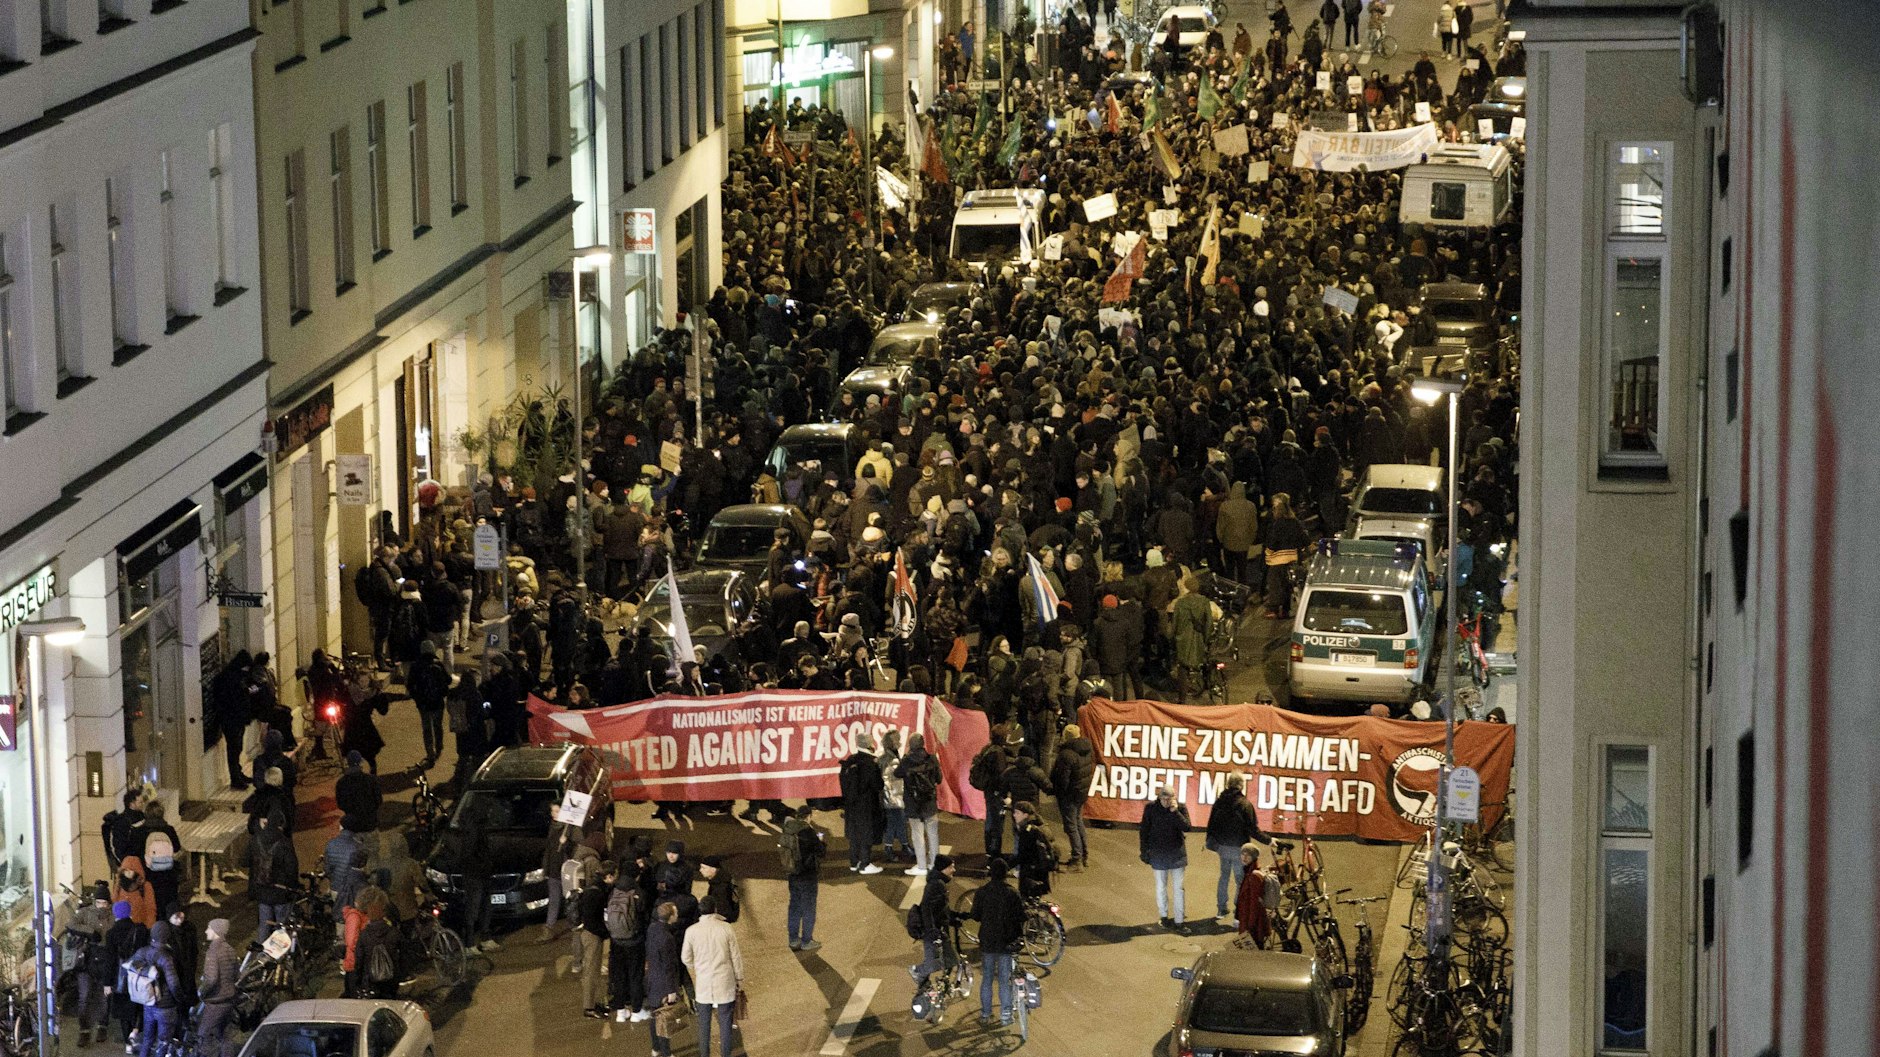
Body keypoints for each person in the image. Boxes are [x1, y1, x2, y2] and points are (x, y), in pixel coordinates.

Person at [681, 894, 745, 1057]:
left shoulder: (691, 931)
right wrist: (739, 978)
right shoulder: (726, 928)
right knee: (725, 1024)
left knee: (704, 1027)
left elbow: (685, 958)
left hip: (703, 984)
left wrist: (697, 967)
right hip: (724, 982)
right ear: (715, 910)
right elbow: (735, 956)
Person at [1204, 773, 1269, 921]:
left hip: (1222, 848)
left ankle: (1221, 910)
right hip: (1240, 849)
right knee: (1241, 880)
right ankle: (1238, 914)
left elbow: (1211, 824)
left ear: (1228, 784)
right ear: (1241, 785)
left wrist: (1212, 843)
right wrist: (1269, 840)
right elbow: (1254, 830)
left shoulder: (1219, 802)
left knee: (1224, 877)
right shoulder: (1245, 804)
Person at [970, 858, 1025, 1027]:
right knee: (1003, 979)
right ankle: (1006, 1015)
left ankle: (985, 1013)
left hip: (987, 941)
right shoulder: (1012, 893)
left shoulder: (982, 892)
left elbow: (975, 916)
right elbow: (1021, 917)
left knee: (986, 978)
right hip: (1005, 942)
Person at [123, 918, 184, 1057]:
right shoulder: (166, 957)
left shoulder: (142, 951)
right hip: (166, 1006)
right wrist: (180, 999)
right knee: (163, 1041)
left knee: (147, 1039)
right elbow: (173, 984)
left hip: (148, 1002)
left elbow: (129, 966)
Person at [67, 882, 114, 1047]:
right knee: (84, 996)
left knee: (104, 995)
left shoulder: (113, 915)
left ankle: (103, 1025)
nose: (101, 906)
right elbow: (71, 924)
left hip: (106, 959)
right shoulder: (86, 913)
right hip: (87, 959)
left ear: (109, 903)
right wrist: (89, 932)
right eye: (99, 902)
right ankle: (84, 1030)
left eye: (104, 903)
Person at [1139, 785, 1192, 931]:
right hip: (1159, 854)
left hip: (1176, 855)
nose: (1167, 802)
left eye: (1171, 798)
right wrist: (1144, 851)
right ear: (1160, 797)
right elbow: (1144, 830)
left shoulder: (1179, 808)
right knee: (1161, 887)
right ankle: (1163, 916)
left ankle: (1179, 921)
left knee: (1178, 889)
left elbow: (1187, 827)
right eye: (1165, 799)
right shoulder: (1150, 808)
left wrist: (1175, 813)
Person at [607, 860, 651, 1023]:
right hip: (634, 941)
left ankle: (620, 1011)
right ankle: (637, 1010)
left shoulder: (614, 889)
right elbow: (643, 915)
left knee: (619, 975)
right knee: (635, 975)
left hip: (616, 940)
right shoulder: (637, 891)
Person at [1050, 724, 1096, 872]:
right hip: (1081, 793)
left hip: (1069, 795)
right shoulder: (1086, 750)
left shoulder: (1066, 755)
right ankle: (1084, 855)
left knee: (1071, 826)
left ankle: (1077, 859)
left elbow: (1062, 779)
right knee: (1078, 822)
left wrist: (1057, 791)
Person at [896, 733, 943, 875]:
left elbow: (897, 774)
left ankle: (921, 865)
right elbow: (939, 780)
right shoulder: (932, 759)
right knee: (933, 833)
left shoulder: (906, 761)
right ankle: (934, 863)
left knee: (917, 834)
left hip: (913, 803)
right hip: (929, 802)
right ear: (923, 744)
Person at [838, 732, 885, 874]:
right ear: (870, 745)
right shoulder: (870, 764)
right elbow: (878, 785)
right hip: (867, 805)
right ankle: (865, 864)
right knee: (866, 833)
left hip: (851, 804)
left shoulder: (849, 761)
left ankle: (854, 862)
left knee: (854, 833)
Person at [781, 805, 825, 951]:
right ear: (808, 816)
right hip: (807, 875)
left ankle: (793, 939)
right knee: (808, 908)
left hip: (792, 873)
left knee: (794, 906)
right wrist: (821, 840)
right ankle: (807, 940)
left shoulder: (788, 828)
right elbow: (821, 851)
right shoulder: (807, 832)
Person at [576, 859, 617, 1018]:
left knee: (593, 971)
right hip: (592, 936)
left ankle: (592, 1003)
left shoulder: (594, 889)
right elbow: (592, 922)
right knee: (591, 973)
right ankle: (589, 1008)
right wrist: (606, 934)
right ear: (608, 876)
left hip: (591, 934)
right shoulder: (595, 893)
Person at [248, 813, 299, 938]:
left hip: (263, 891)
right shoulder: (284, 843)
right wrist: (293, 888)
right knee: (281, 927)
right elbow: (292, 870)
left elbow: (244, 861)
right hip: (280, 893)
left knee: (264, 926)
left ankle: (262, 953)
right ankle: (279, 955)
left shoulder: (256, 839)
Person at [195, 917, 241, 1057]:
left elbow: (212, 979)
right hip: (229, 999)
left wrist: (202, 992)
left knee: (203, 1034)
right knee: (225, 1035)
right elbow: (236, 975)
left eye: (209, 928)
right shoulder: (230, 949)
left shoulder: (213, 952)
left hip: (216, 1001)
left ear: (216, 931)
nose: (206, 931)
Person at [105, 900, 148, 1048]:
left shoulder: (111, 934)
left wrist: (107, 983)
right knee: (138, 1007)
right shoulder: (140, 930)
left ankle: (128, 1043)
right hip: (139, 975)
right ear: (130, 913)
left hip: (120, 979)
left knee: (124, 1012)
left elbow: (109, 960)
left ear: (115, 914)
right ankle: (136, 1034)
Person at [909, 852, 957, 983]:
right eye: (951, 867)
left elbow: (941, 908)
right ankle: (917, 971)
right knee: (938, 962)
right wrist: (931, 930)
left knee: (949, 959)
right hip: (933, 930)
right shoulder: (936, 885)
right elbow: (926, 907)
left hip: (937, 928)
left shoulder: (938, 882)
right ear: (944, 869)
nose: (954, 870)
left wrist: (954, 917)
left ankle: (923, 981)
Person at [405, 640, 454, 765]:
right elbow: (448, 680)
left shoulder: (416, 666)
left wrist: (417, 697)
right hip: (438, 702)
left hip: (423, 703)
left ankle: (430, 753)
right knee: (437, 726)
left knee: (426, 728)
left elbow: (410, 685)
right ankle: (439, 747)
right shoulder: (438, 664)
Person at [645, 901, 684, 1057]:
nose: (677, 915)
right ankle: (666, 1053)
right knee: (664, 1018)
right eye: (675, 913)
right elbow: (669, 966)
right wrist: (671, 990)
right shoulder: (667, 938)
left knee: (654, 1015)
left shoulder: (652, 928)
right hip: (663, 983)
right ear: (670, 917)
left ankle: (655, 1048)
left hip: (652, 979)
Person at [133, 800, 184, 917]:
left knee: (150, 901)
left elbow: (136, 851)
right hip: (168, 874)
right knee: (168, 902)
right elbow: (176, 848)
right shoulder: (169, 829)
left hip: (148, 873)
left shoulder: (140, 831)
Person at [1262, 494, 1310, 618]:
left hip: (1278, 559)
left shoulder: (1277, 524)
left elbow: (1272, 542)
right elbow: (1305, 540)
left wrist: (1268, 552)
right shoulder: (1295, 522)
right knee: (1288, 585)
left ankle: (1273, 609)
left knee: (1275, 584)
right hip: (1292, 558)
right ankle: (1285, 609)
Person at [1010, 801, 1056, 899]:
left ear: (1025, 815)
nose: (1014, 815)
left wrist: (1006, 866)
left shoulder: (1027, 832)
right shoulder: (1040, 826)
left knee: (1025, 902)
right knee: (1035, 901)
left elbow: (1022, 855)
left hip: (1030, 874)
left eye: (1017, 813)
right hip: (1041, 872)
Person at [1234, 842, 1274, 947]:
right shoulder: (1249, 872)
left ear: (1254, 857)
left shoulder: (1254, 876)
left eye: (1248, 855)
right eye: (1243, 854)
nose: (1244, 857)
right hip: (1248, 920)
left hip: (1252, 924)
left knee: (1253, 953)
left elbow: (1254, 903)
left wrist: (1250, 926)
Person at [877, 730, 909, 862]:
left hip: (892, 797)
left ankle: (904, 845)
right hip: (894, 798)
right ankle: (890, 848)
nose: (900, 742)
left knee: (898, 822)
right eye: (897, 739)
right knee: (894, 823)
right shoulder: (892, 759)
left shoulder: (886, 757)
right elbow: (891, 779)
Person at [335, 751, 383, 831]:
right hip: (370, 823)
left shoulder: (342, 782)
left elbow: (341, 805)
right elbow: (379, 801)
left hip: (353, 824)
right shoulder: (371, 780)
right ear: (360, 762)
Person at [103, 787, 147, 873]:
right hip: (132, 865)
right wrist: (127, 862)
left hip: (135, 863)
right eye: (140, 802)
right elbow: (119, 846)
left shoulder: (142, 817)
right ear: (131, 804)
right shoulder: (123, 821)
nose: (143, 804)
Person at [113, 856, 158, 928]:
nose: (127, 873)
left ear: (136, 871)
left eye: (130, 870)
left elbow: (150, 909)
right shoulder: (119, 884)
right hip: (122, 927)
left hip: (140, 928)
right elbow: (114, 903)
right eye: (125, 870)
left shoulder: (145, 886)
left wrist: (149, 928)